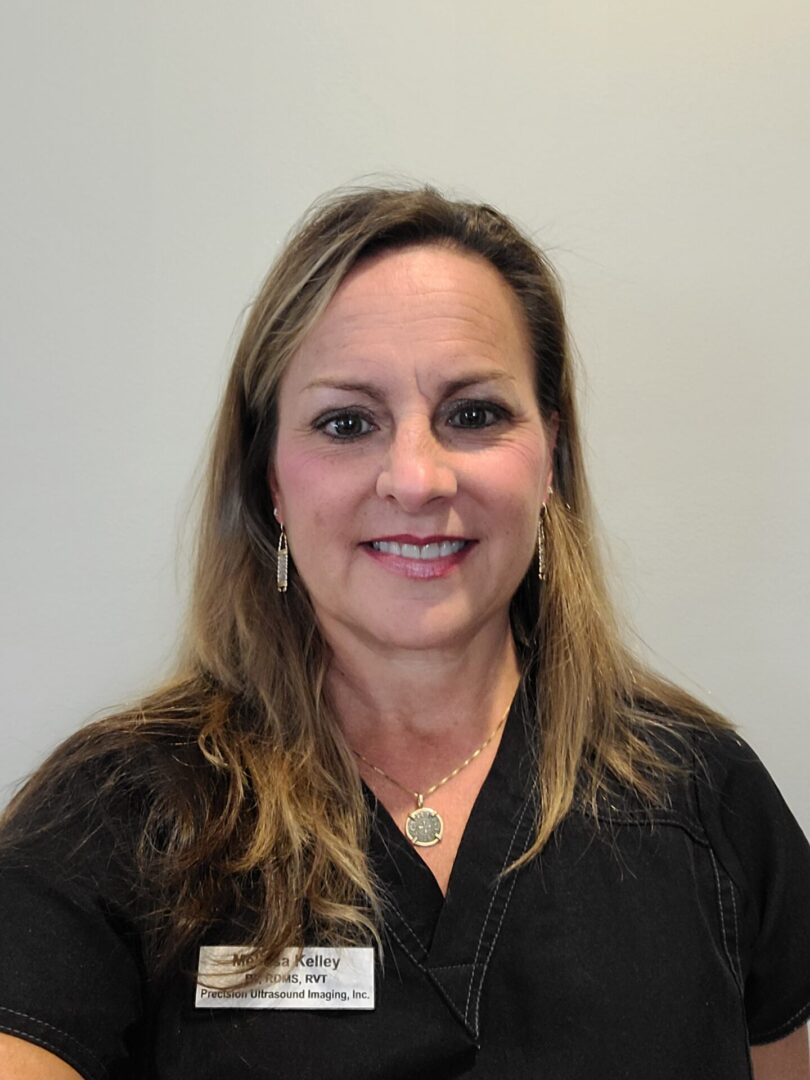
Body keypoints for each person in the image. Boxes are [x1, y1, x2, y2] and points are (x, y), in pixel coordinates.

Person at [0, 186, 808, 1080]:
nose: (417, 479)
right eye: (347, 422)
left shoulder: (706, 798)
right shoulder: (119, 814)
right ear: (269, 479)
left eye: (475, 414)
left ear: (552, 460)